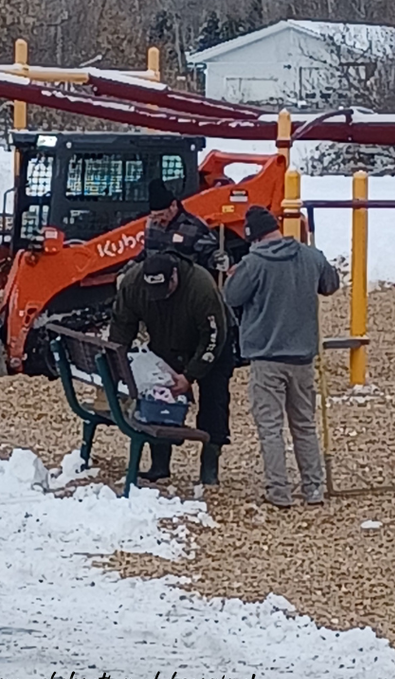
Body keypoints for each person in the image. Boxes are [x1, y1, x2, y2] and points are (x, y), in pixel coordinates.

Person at [224, 205, 340, 509]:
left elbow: (231, 297)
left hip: (266, 357)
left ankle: (279, 490)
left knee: (270, 427)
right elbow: (331, 285)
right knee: (304, 424)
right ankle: (313, 488)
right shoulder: (310, 256)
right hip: (302, 357)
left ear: (254, 236)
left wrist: (232, 275)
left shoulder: (253, 263)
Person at [108, 251, 229, 485]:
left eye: (164, 289)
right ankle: (159, 465)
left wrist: (191, 375)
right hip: (165, 345)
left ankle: (209, 467)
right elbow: (122, 324)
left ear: (174, 276)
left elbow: (215, 335)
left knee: (215, 402)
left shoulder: (201, 286)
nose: (160, 296)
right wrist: (118, 363)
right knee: (159, 395)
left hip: (210, 345)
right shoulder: (133, 284)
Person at [143, 178, 221, 270]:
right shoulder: (152, 225)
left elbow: (210, 254)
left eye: (161, 215)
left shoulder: (194, 226)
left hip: (186, 280)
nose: (158, 220)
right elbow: (146, 253)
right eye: (154, 216)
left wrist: (218, 260)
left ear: (173, 206)